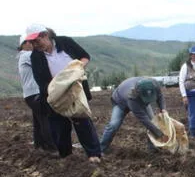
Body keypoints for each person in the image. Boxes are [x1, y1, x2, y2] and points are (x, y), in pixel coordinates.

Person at [26, 24, 102, 163]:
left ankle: (94, 154)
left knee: (82, 122)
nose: (35, 45)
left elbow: (84, 57)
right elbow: (41, 81)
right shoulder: (35, 56)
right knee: (59, 126)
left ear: (45, 35)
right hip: (54, 94)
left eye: (37, 41)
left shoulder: (65, 42)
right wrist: (58, 89)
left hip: (76, 91)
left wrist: (77, 69)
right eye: (31, 42)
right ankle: (66, 156)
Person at [99, 77, 168, 152]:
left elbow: (160, 96)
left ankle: (153, 148)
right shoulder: (132, 96)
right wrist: (160, 134)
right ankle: (101, 149)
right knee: (114, 125)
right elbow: (145, 120)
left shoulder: (154, 84)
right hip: (120, 102)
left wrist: (163, 109)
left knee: (153, 122)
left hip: (136, 99)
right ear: (139, 94)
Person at [17, 35, 56, 151]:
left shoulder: (23, 56)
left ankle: (39, 145)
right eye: (31, 42)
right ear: (24, 44)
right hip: (35, 93)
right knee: (45, 119)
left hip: (30, 94)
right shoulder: (27, 55)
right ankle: (52, 147)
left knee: (38, 120)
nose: (34, 44)